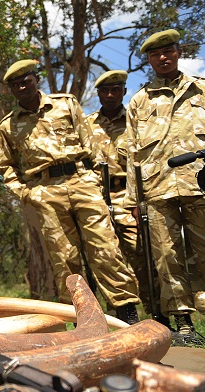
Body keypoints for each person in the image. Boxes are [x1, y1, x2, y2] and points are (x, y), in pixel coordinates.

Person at [0, 59, 141, 324]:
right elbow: (6, 166)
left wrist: (95, 179)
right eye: (15, 85)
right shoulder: (8, 125)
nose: (21, 87)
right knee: (65, 258)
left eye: (25, 81)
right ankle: (81, 319)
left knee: (106, 247)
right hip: (44, 191)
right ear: (11, 90)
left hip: (82, 180)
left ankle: (126, 312)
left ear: (35, 79)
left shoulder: (66, 103)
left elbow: (91, 144)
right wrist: (27, 194)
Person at [125, 29, 205, 344]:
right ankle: (184, 324)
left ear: (177, 52)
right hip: (157, 190)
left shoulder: (200, 91)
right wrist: (134, 200)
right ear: (149, 59)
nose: (163, 57)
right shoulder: (139, 101)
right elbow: (132, 154)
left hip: (199, 184)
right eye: (156, 54)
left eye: (168, 51)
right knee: (166, 256)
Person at [87, 70, 163, 324]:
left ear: (123, 91)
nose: (110, 95)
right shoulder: (87, 125)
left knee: (140, 253)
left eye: (116, 89)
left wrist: (141, 199)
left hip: (129, 196)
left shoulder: (135, 121)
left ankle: (157, 314)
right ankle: (119, 318)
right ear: (98, 93)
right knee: (104, 257)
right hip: (95, 197)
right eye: (105, 91)